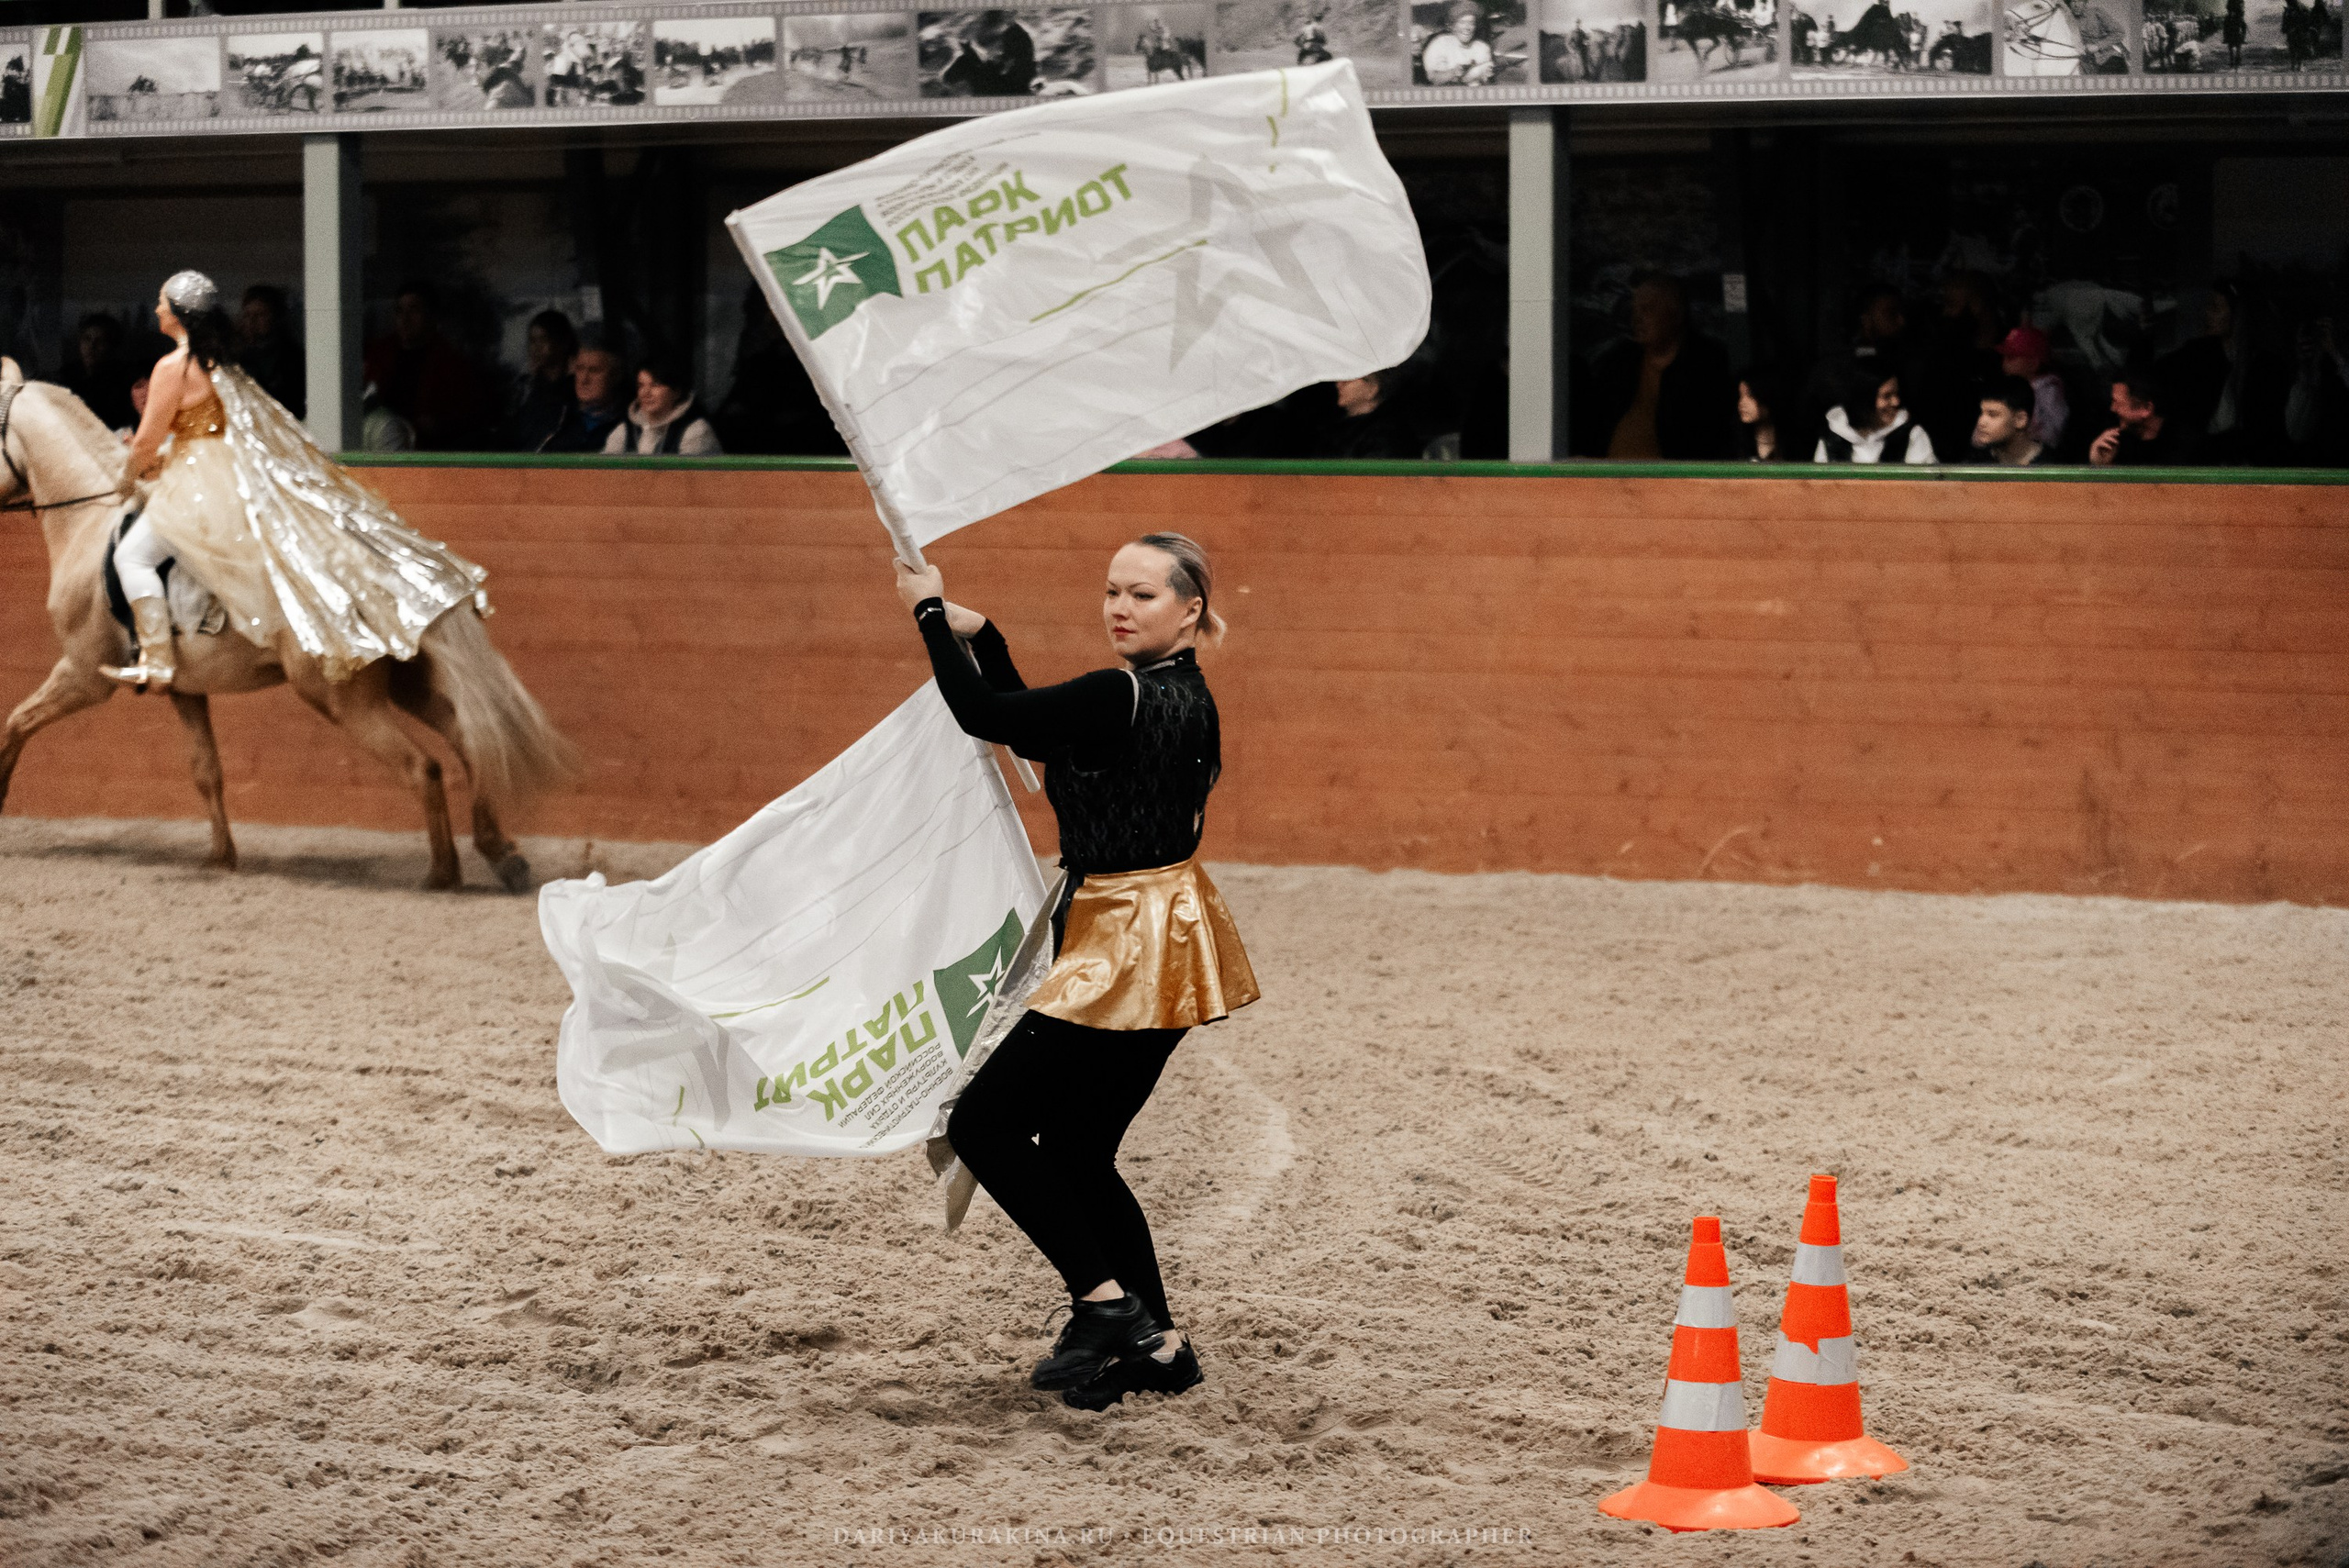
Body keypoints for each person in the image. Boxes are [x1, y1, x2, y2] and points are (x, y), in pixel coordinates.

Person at [893, 532, 1258, 1411]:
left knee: (982, 1123)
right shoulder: (1179, 696)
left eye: (1141, 594)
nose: (1119, 608)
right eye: (1111, 592)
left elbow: (987, 718)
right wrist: (988, 638)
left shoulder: (1115, 694)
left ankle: (1103, 1305)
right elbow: (1032, 719)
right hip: (1172, 931)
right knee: (1081, 1150)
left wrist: (929, 613)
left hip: (1123, 942)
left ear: (1190, 609)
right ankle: (1159, 1346)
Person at [101, 270, 487, 692]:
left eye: (162, 302)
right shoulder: (224, 365)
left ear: (179, 313)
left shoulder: (173, 366)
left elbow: (145, 442)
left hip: (195, 481)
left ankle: (156, 660)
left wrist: (125, 478)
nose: (157, 309)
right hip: (225, 472)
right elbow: (213, 430)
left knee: (132, 557)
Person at [1578, 273, 1737, 461]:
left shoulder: (1707, 365)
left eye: (1647, 309)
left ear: (1676, 315)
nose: (1637, 317)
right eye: (1635, 309)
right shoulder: (1620, 361)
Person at [362, 279, 488, 450]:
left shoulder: (452, 363)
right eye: (399, 311)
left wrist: (438, 424)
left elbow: (470, 417)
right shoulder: (379, 353)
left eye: (413, 310)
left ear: (431, 315)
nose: (405, 319)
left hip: (426, 456)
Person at [1814, 364, 1937, 464]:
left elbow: (1921, 488)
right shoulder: (1832, 439)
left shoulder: (1912, 436)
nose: (1896, 402)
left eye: (1896, 394)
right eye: (1887, 396)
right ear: (1863, 399)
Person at [604, 350, 720, 455]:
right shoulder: (625, 429)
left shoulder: (696, 432)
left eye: (655, 385)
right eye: (641, 385)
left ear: (677, 392)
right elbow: (602, 472)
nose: (646, 393)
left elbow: (690, 477)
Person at [505, 308, 579, 452]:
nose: (536, 348)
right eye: (532, 341)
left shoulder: (576, 390)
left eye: (543, 340)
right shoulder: (525, 389)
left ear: (562, 343)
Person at [539, 346, 629, 453]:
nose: (584, 379)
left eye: (594, 370)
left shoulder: (630, 426)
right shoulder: (556, 416)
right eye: (580, 368)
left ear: (615, 376)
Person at [58, 312, 137, 432]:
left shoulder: (123, 380)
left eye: (100, 341)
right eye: (87, 339)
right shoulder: (66, 375)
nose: (91, 346)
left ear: (112, 346)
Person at [2088, 370, 2188, 467]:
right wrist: (2101, 466)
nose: (2112, 409)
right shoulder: (2116, 443)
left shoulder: (2184, 446)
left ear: (2146, 409)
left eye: (2117, 402)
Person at [237, 284, 306, 417]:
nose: (252, 322)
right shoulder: (237, 358)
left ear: (275, 318)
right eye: (247, 315)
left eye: (260, 315)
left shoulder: (293, 358)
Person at [1998, 325, 2069, 453]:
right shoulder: (2008, 388)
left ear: (2033, 364)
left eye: (2011, 358)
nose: (2004, 363)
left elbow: (2058, 430)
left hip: (2038, 456)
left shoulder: (2049, 390)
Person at [1969, 375, 2053, 465]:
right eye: (1981, 413)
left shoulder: (2055, 466)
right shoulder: (1975, 462)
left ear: (2020, 420)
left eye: (1993, 415)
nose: (1981, 422)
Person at [1422, 0, 1497, 82]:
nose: (1467, 28)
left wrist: (1486, 75)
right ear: (1453, 26)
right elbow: (1433, 78)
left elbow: (1485, 80)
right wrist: (1453, 73)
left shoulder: (1482, 48)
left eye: (1471, 23)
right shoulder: (1440, 44)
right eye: (1462, 22)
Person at [1735, 366, 1789, 462]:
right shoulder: (1735, 442)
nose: (1742, 403)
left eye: (1750, 395)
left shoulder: (1794, 443)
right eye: (1740, 396)